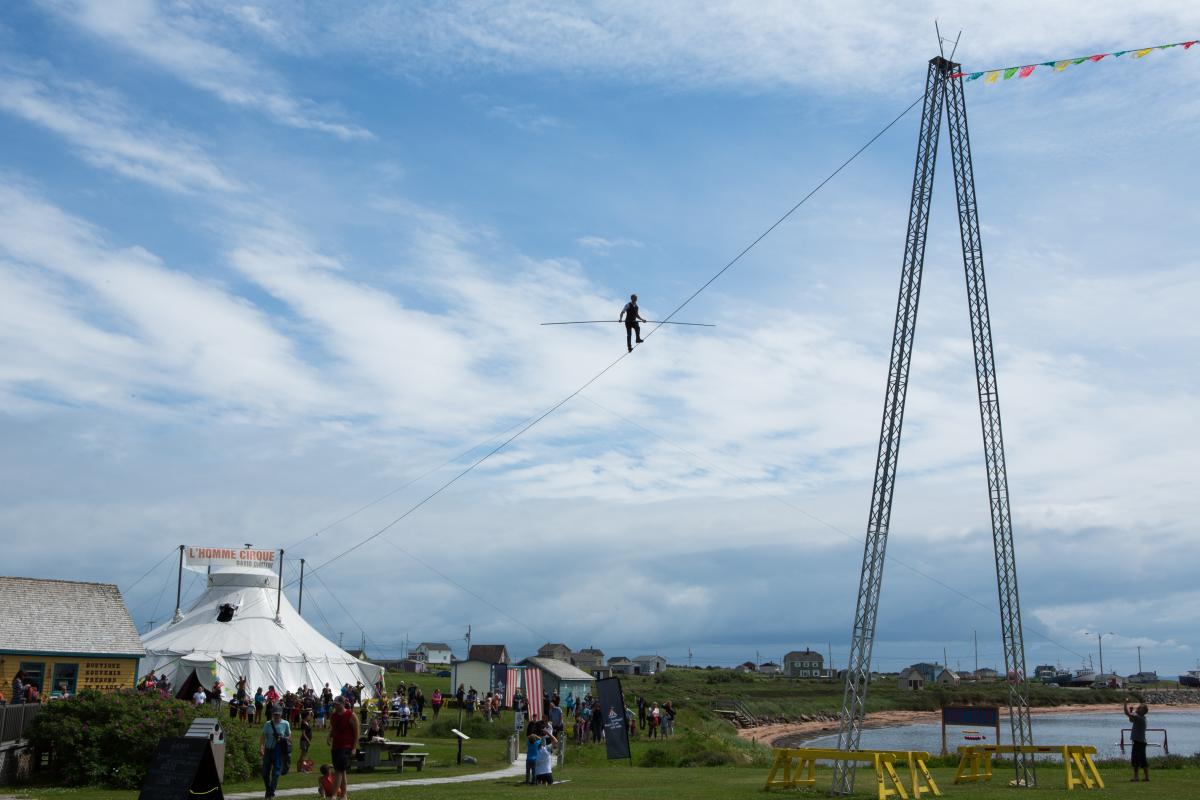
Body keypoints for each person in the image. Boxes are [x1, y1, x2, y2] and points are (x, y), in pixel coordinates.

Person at [327, 697, 359, 799]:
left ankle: (335, 794)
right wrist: (329, 736)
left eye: (336, 704)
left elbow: (357, 732)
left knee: (338, 771)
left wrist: (354, 748)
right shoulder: (334, 716)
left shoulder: (351, 715)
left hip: (346, 746)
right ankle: (344, 794)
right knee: (341, 770)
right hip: (336, 746)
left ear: (342, 704)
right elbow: (333, 728)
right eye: (334, 704)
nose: (335, 706)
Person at [260, 707, 292, 798]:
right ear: (272, 714)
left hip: (278, 750)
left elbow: (289, 737)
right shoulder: (268, 724)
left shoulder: (285, 723)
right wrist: (261, 747)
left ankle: (271, 791)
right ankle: (268, 789)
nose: (276, 716)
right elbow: (263, 736)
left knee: (276, 772)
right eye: (275, 714)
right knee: (265, 772)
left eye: (278, 714)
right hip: (268, 749)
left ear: (281, 714)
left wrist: (282, 738)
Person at [1125, 698, 1150, 782]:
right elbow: (1131, 719)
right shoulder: (1142, 718)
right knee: (1143, 760)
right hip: (1141, 742)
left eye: (1139, 708)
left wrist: (1125, 704)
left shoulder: (1139, 718)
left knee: (1135, 760)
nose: (1137, 708)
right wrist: (1132, 712)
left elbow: (1127, 714)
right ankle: (1146, 777)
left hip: (1138, 742)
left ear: (1141, 711)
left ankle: (1136, 777)